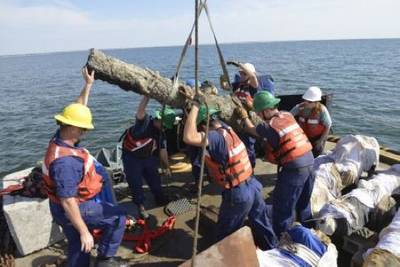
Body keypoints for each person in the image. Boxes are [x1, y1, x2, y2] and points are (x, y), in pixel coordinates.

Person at [42, 67, 126, 267]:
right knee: (118, 217)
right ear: (72, 127)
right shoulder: (65, 163)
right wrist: (84, 231)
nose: (84, 133)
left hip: (62, 208)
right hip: (73, 209)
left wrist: (88, 85)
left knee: (77, 247)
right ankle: (106, 259)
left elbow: (78, 109)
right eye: (82, 129)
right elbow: (68, 201)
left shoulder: (59, 138)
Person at [182, 101, 277, 250]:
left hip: (239, 194)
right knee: (261, 222)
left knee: (226, 233)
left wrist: (194, 106)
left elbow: (189, 137)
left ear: (203, 127)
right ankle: (272, 249)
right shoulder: (228, 129)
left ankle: (228, 259)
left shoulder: (214, 137)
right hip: (253, 185)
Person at [235, 91, 315, 239]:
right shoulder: (287, 115)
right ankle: (310, 233)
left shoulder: (268, 126)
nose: (259, 116)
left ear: (266, 111)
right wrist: (251, 107)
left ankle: (280, 240)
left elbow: (252, 130)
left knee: (282, 208)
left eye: (259, 113)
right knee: (304, 204)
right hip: (310, 163)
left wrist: (245, 116)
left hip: (294, 170)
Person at [121, 96, 175, 219]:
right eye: (164, 125)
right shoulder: (144, 123)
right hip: (132, 158)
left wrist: (167, 167)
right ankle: (140, 206)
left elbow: (163, 150)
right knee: (135, 183)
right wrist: (147, 96)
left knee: (154, 178)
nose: (165, 127)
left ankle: (159, 197)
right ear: (158, 120)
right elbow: (140, 111)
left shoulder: (161, 132)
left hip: (148, 157)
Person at [290, 86, 332, 157]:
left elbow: (328, 126)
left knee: (316, 155)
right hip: (303, 137)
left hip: (317, 138)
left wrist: (320, 141)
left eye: (309, 101)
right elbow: (288, 116)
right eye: (305, 100)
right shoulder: (299, 107)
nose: (306, 102)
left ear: (316, 102)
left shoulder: (322, 110)